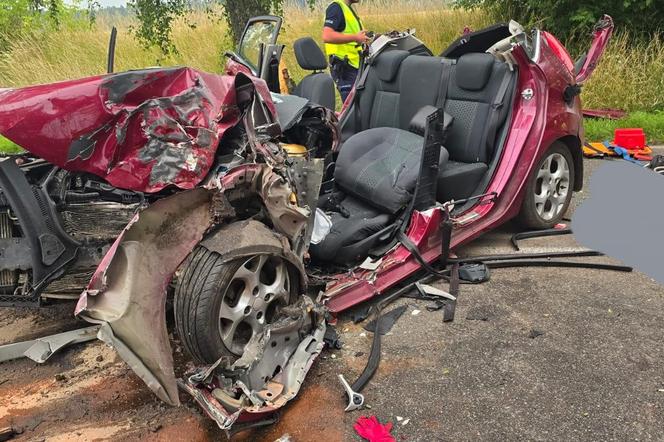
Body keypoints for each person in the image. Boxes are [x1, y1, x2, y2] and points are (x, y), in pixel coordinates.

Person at [322, 0, 370, 103]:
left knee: (360, 106)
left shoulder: (347, 9)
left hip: (355, 66)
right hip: (345, 68)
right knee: (351, 108)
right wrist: (355, 37)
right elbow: (327, 35)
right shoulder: (336, 8)